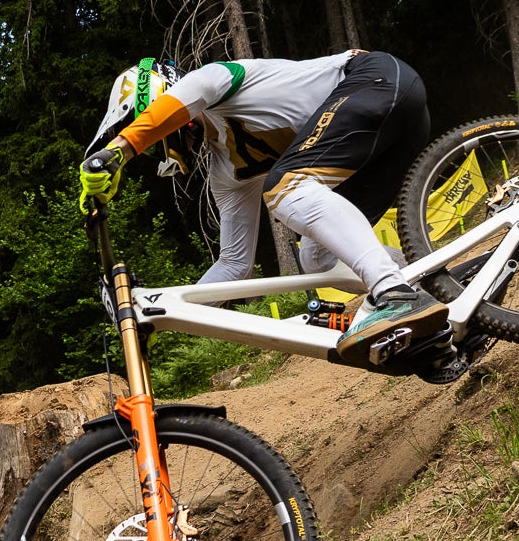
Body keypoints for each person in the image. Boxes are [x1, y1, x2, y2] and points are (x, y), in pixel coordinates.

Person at [78, 51, 441, 361]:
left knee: (285, 188)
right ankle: (433, 286)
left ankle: (393, 293)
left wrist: (119, 150)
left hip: (377, 79)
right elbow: (234, 265)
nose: (163, 146)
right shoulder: (226, 170)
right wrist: (164, 315)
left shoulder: (215, 80)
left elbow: (190, 95)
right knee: (318, 257)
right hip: (391, 131)